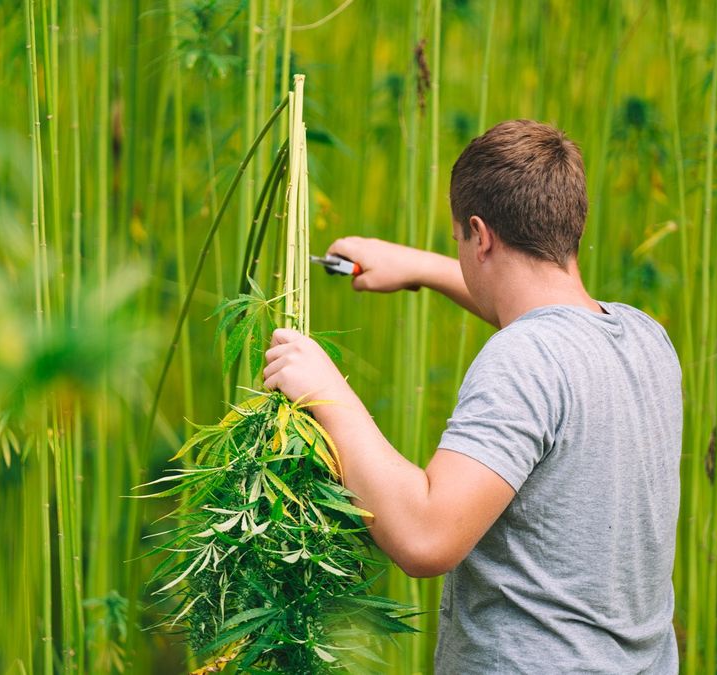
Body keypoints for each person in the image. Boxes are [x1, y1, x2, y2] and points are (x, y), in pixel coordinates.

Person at [262, 119, 682, 673]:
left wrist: (325, 390)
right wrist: (421, 267)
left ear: (480, 235)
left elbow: (425, 535)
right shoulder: (644, 338)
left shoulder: (524, 361)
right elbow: (539, 312)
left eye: (460, 239)